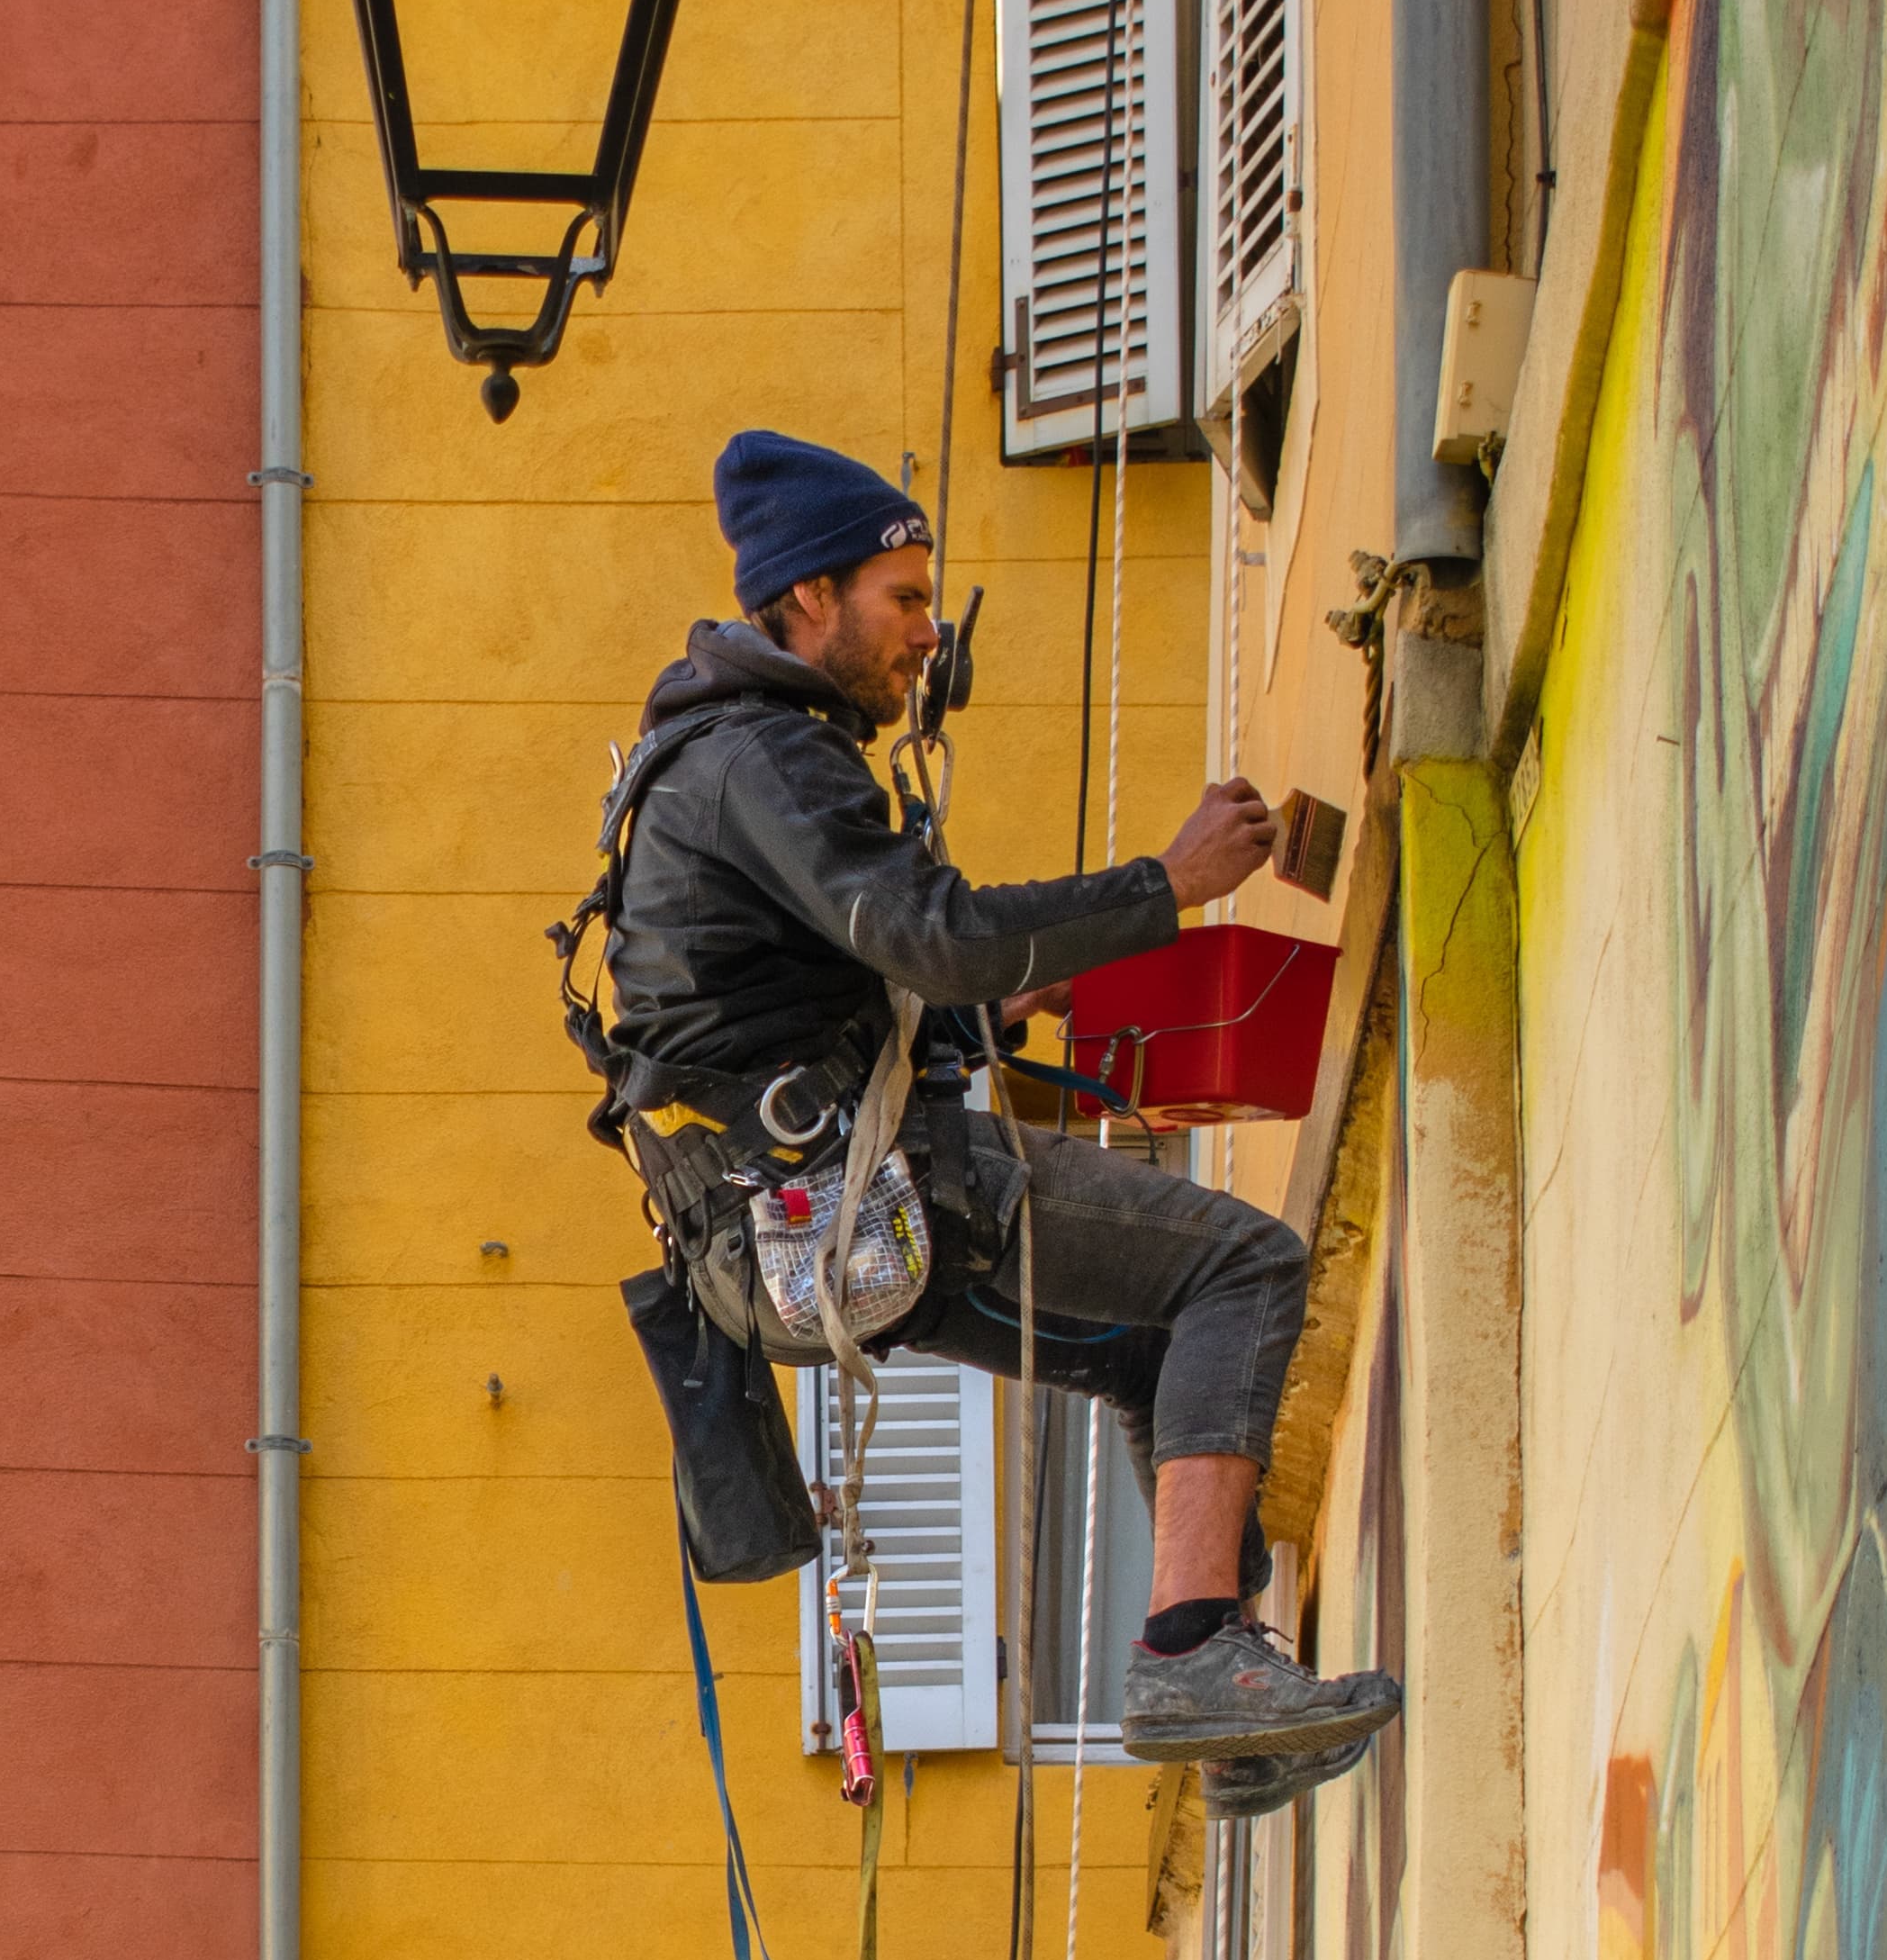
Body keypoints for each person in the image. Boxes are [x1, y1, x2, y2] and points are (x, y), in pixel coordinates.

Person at [599, 429, 1400, 1798]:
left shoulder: (714, 763)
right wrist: (1167, 882)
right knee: (1244, 1265)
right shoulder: (761, 759)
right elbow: (937, 934)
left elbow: (800, 1004)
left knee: (1148, 1357)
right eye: (903, 599)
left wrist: (983, 1018)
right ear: (809, 598)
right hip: (875, 1199)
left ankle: (1228, 1724)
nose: (927, 635)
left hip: (796, 1239)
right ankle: (1199, 1657)